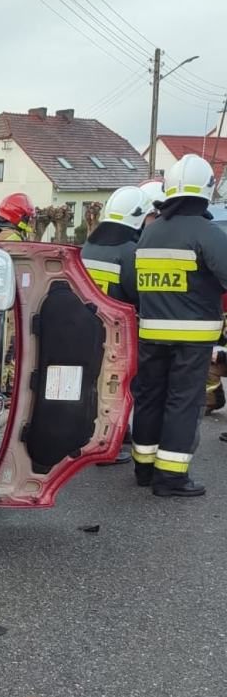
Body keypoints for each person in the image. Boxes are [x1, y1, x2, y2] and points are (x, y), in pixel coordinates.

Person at [127, 154, 227, 497]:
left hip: (151, 333)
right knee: (183, 402)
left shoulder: (150, 233)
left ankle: (144, 468)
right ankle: (170, 478)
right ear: (207, 191)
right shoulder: (207, 233)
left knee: (150, 398)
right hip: (192, 337)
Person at [82, 186, 151, 464]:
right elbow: (139, 295)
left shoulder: (89, 246)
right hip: (119, 333)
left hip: (87, 328)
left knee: (99, 388)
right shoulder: (130, 252)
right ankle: (111, 445)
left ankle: (104, 438)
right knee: (118, 389)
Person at [81, 185, 152, 306]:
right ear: (139, 218)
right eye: (152, 216)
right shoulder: (131, 253)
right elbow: (145, 300)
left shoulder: (87, 248)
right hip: (119, 322)